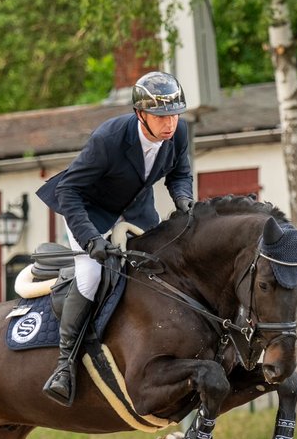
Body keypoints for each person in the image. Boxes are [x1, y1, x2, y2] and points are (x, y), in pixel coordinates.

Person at [36, 70, 195, 405]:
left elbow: (180, 173)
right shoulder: (110, 137)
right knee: (92, 274)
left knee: (164, 261)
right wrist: (91, 239)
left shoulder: (178, 132)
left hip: (136, 211)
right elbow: (69, 190)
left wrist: (183, 201)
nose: (170, 123)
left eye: (175, 114)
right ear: (140, 114)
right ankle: (64, 366)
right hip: (89, 211)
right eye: (161, 116)